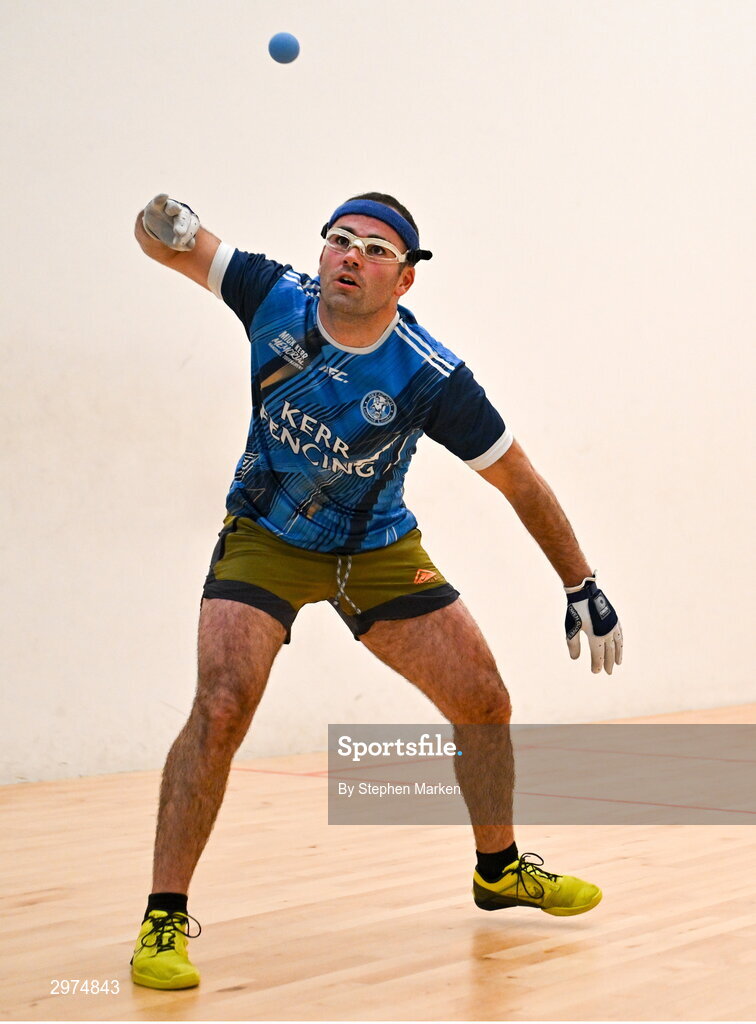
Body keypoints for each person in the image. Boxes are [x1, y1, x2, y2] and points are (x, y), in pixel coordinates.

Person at [130, 191, 623, 990]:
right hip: (266, 536)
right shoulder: (270, 294)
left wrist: (582, 581)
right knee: (221, 705)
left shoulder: (431, 378)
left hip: (377, 548)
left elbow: (520, 481)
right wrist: (162, 221)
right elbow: (169, 243)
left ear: (404, 280)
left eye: (375, 248)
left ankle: (497, 871)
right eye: (340, 240)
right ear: (322, 254)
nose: (351, 254)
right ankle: (162, 917)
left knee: (484, 701)